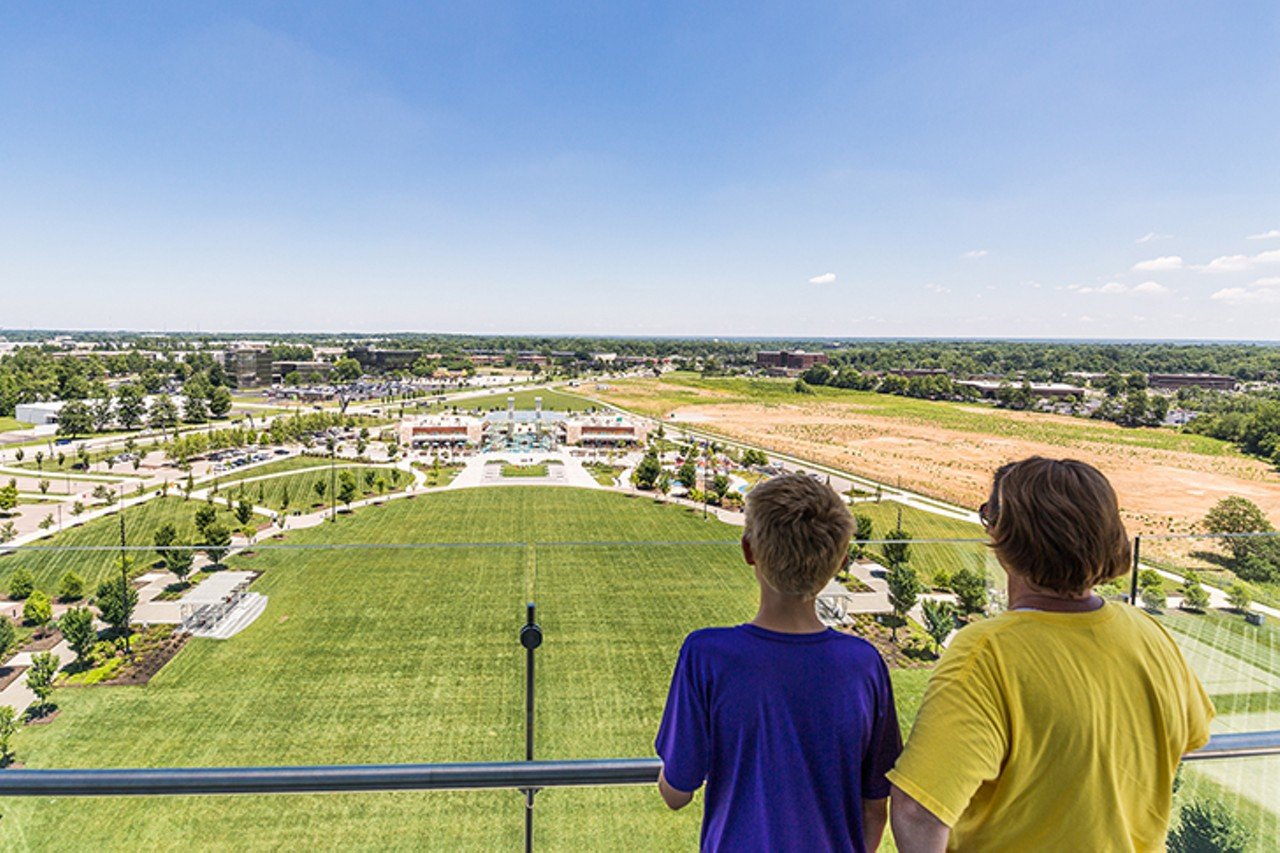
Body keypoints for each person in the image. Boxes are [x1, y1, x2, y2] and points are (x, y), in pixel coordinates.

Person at [888, 457, 1214, 852]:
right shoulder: (1149, 633)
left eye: (989, 516)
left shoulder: (987, 654)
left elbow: (919, 810)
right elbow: (1189, 737)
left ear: (1004, 536)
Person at [655, 473, 901, 851]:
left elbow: (677, 793)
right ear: (841, 562)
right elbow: (875, 807)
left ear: (748, 550)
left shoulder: (706, 656)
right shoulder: (864, 665)